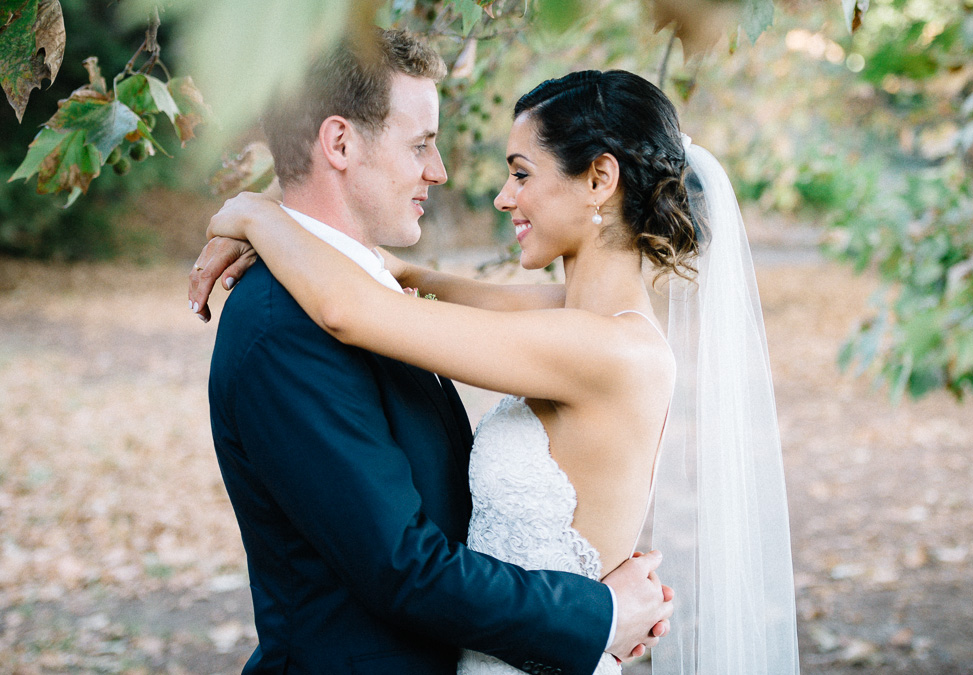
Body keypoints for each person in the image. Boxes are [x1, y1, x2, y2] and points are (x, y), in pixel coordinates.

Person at [193, 66, 801, 674]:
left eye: (521, 173)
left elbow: (354, 312)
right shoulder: (575, 314)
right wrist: (336, 247)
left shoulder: (607, 348)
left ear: (598, 179)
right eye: (421, 144)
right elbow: (413, 284)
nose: (502, 196)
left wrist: (258, 216)